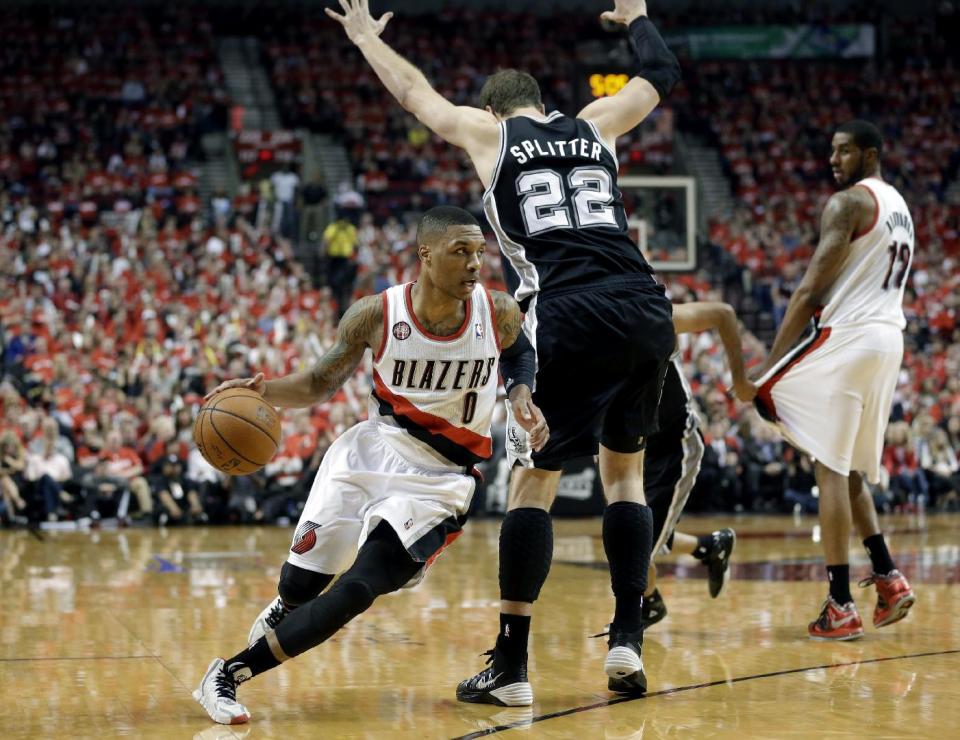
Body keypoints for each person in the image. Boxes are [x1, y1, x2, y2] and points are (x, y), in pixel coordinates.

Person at [327, 0, 680, 702]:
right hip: (644, 304)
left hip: (568, 311)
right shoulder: (596, 124)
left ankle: (512, 666)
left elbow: (413, 93)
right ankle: (626, 642)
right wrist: (639, 16)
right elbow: (663, 69)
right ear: (548, 104)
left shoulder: (488, 137)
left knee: (533, 482)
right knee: (626, 478)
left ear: (493, 112)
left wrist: (366, 38)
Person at [193, 206, 549, 725]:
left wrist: (520, 393)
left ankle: (226, 674)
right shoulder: (376, 314)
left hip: (442, 483)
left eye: (480, 252)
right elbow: (320, 382)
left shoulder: (497, 311)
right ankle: (290, 605)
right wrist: (263, 390)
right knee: (298, 587)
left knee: (358, 589)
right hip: (369, 453)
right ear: (425, 256)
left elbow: (521, 354)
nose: (476, 263)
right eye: (461, 252)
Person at [749, 120, 917, 640]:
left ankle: (841, 602)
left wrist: (768, 367)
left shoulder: (847, 204)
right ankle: (888, 576)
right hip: (889, 339)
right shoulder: (900, 206)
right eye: (831, 151)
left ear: (870, 154)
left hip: (851, 339)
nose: (833, 159)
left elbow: (807, 290)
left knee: (825, 465)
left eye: (844, 150)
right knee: (846, 471)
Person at [633, 301, 754, 628]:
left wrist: (739, 379)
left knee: (635, 548)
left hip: (675, 447)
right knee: (633, 528)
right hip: (638, 448)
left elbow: (725, 313)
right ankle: (710, 547)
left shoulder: (654, 315)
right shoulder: (595, 327)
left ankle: (646, 605)